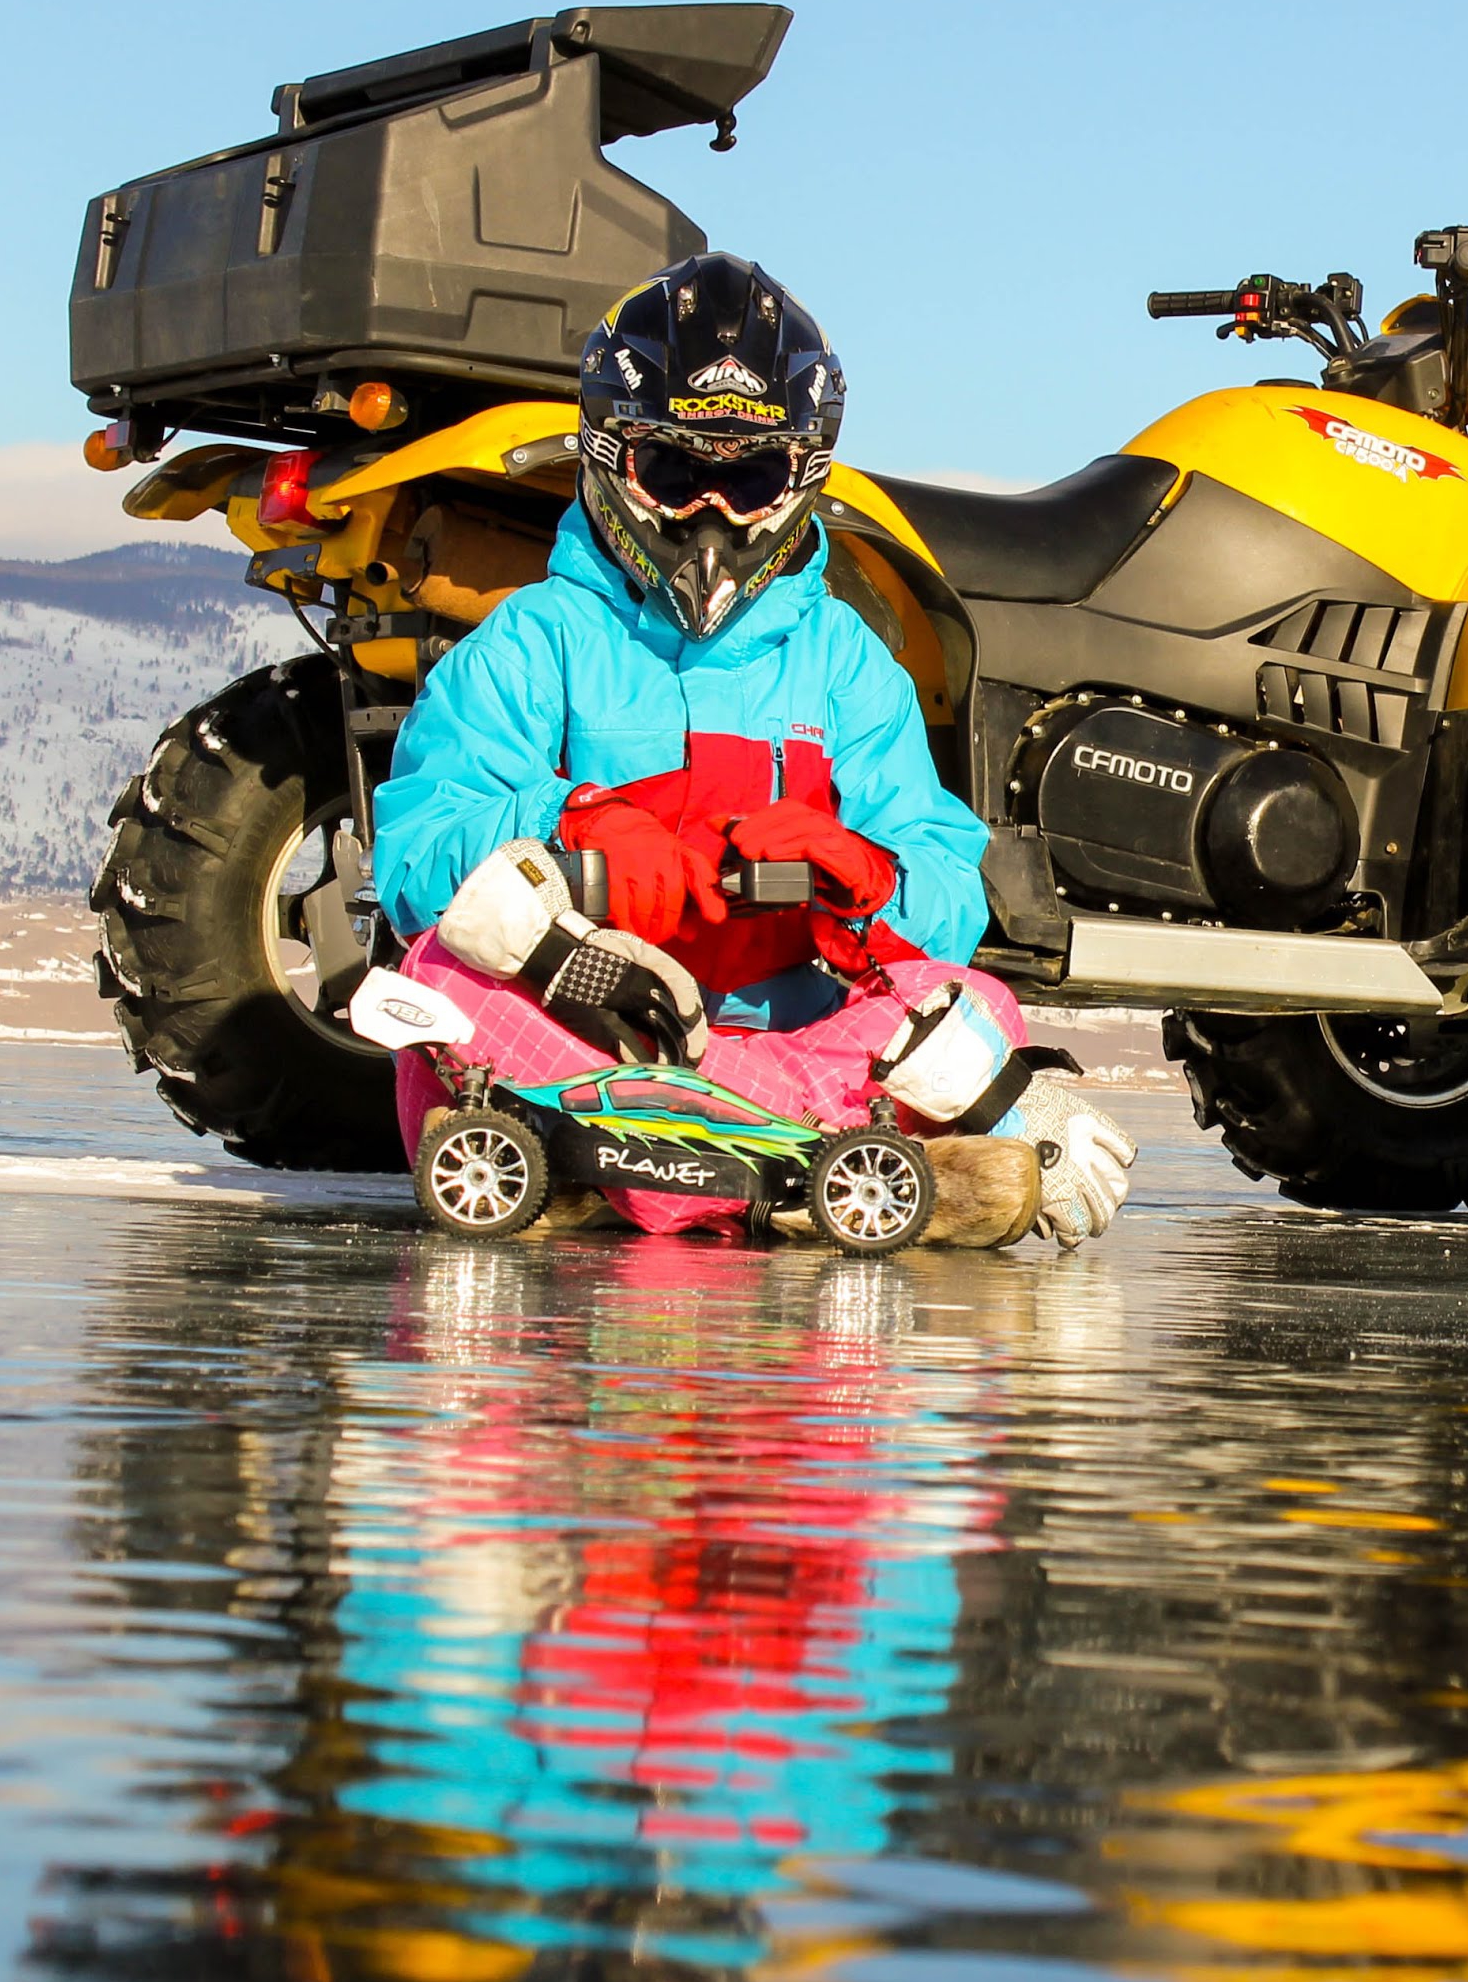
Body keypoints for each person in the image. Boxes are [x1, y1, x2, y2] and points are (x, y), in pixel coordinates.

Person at [369, 254, 1133, 1248]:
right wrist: (563, 836)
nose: (711, 513)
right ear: (613, 458)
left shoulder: (848, 666)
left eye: (752, 478)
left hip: (786, 1049)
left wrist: (868, 879)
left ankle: (651, 1174)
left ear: (801, 476)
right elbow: (412, 857)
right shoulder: (533, 639)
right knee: (439, 969)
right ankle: (813, 1177)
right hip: (580, 1036)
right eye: (678, 473)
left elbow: (946, 893)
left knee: (974, 1002)